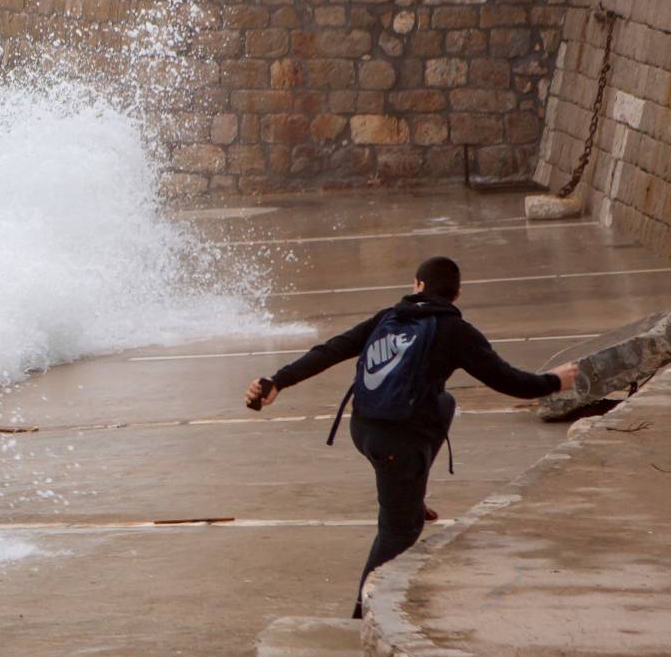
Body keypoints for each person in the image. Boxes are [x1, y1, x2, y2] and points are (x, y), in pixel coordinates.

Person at [242, 256, 579, 618]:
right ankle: (364, 617)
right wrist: (555, 381)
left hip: (363, 428)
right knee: (400, 530)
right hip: (396, 445)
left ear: (417, 284)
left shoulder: (387, 317)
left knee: (444, 402)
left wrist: (277, 381)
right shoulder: (455, 331)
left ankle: (412, 494)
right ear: (457, 294)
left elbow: (332, 350)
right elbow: (510, 381)